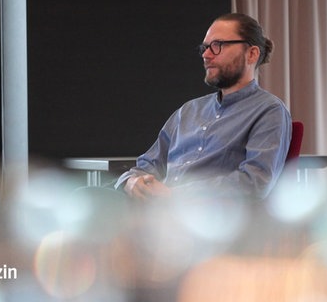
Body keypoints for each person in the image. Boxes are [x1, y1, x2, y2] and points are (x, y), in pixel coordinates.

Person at [115, 13, 291, 200]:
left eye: (218, 46)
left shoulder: (269, 111)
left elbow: (255, 181)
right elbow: (148, 164)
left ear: (252, 54)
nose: (206, 55)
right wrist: (131, 181)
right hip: (155, 209)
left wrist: (175, 195)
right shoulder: (188, 110)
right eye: (205, 47)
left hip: (205, 219)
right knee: (87, 196)